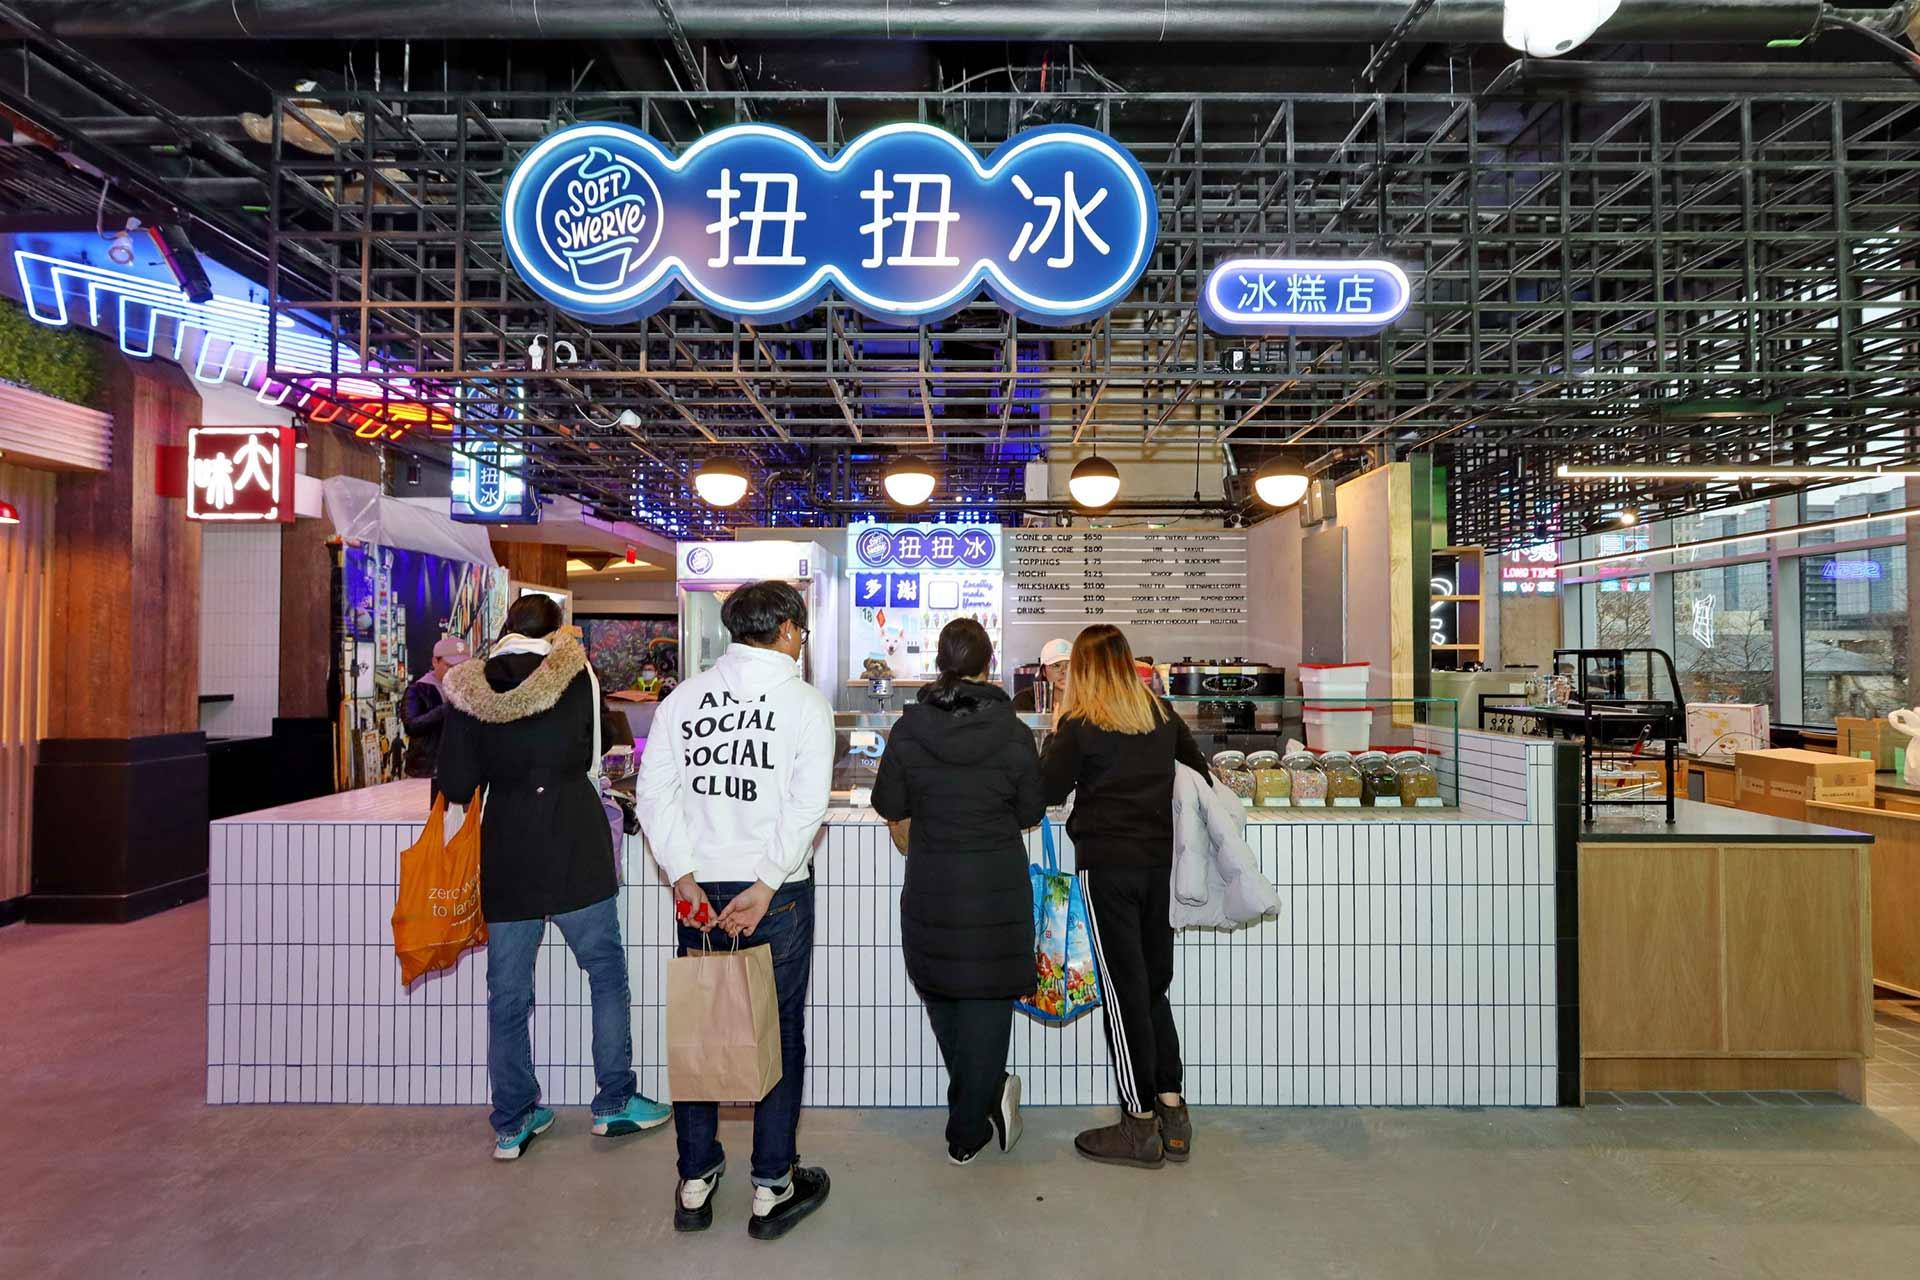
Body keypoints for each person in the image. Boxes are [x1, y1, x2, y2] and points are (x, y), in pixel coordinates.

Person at [436, 595, 671, 1161]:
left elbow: (458, 781)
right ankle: (614, 1101)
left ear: (506, 629)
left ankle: (514, 1121)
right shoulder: (577, 675)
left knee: (508, 994)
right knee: (606, 974)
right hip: (573, 839)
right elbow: (593, 759)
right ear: (558, 630)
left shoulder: (470, 686)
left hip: (509, 847)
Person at [639, 580, 835, 1241]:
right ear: (784, 631)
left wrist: (684, 876)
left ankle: (695, 1179)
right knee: (775, 1035)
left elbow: (653, 798)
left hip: (700, 895)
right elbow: (807, 807)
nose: (801, 642)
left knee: (703, 1022)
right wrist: (769, 881)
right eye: (801, 632)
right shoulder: (805, 704)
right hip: (771, 896)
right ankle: (771, 1186)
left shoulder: (683, 700)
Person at [870, 618, 1042, 1166]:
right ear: (988, 665)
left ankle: (973, 1106)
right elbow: (1031, 810)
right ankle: (970, 1124)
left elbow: (888, 801)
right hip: (996, 883)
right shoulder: (1013, 733)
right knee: (990, 1000)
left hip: (933, 881)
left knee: (939, 987)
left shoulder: (909, 728)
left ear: (940, 664)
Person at [1040, 624, 1210, 1170]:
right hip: (1159, 867)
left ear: (1085, 670)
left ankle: (1137, 1126)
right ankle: (1172, 1111)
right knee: (1154, 986)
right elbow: (1201, 774)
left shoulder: (1081, 725)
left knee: (1123, 995)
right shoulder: (1161, 716)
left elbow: (1043, 793)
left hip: (1107, 868)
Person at [401, 636, 469, 781]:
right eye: (450, 666)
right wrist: (447, 708)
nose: (456, 671)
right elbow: (411, 726)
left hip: (462, 771)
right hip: (427, 773)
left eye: (461, 666)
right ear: (435, 661)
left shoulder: (468, 689)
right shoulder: (417, 690)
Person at [1011, 637, 1072, 713]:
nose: (1064, 671)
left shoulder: (1087, 701)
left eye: (1070, 665)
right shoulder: (1023, 701)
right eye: (1056, 665)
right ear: (1044, 671)